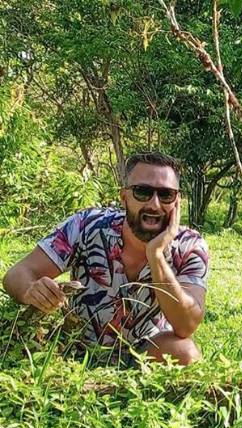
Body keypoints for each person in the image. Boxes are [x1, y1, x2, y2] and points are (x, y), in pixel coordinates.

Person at [2, 151, 208, 365]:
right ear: (124, 197)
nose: (154, 205)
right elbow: (16, 275)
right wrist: (31, 291)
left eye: (166, 195)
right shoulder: (86, 225)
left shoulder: (190, 246)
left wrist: (156, 256)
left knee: (186, 353)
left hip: (145, 353)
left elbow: (186, 325)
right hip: (73, 348)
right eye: (142, 192)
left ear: (177, 202)